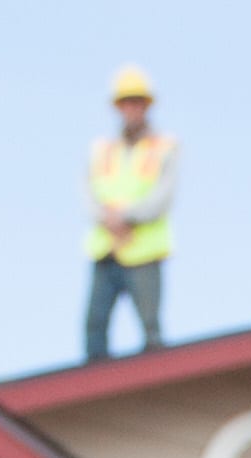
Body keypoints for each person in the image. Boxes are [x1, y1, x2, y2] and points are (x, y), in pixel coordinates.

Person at [82, 65, 176, 362]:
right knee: (94, 327)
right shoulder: (102, 149)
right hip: (106, 249)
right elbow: (87, 192)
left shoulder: (164, 147)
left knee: (150, 331)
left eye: (137, 103)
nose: (131, 109)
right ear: (118, 107)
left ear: (146, 106)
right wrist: (106, 218)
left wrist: (126, 216)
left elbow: (163, 195)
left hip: (144, 251)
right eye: (126, 103)